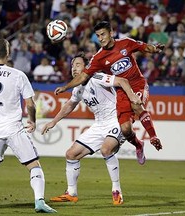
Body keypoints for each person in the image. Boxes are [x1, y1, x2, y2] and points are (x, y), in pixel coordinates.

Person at [42, 53, 142, 205]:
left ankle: (117, 191)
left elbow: (122, 80)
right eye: (72, 66)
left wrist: (133, 97)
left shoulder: (97, 77)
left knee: (106, 149)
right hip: (99, 124)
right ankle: (71, 192)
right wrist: (53, 122)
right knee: (71, 154)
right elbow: (70, 105)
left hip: (116, 120)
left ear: (86, 66)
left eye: (77, 65)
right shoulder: (77, 89)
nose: (74, 69)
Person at [54, 21, 163, 159]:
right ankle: (138, 145)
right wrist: (65, 87)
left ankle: (153, 137)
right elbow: (83, 76)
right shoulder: (98, 58)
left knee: (136, 104)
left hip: (137, 84)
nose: (101, 38)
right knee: (125, 129)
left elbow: (144, 47)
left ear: (111, 33)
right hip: (120, 90)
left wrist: (154, 49)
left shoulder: (126, 43)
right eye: (98, 36)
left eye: (103, 34)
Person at [0, 38, 56, 213]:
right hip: (14, 128)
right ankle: (39, 201)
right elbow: (30, 104)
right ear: (8, 54)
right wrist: (33, 120)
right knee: (33, 164)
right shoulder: (18, 75)